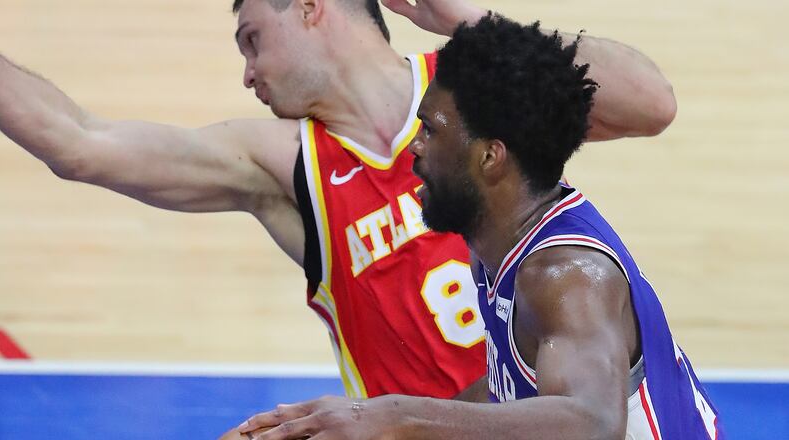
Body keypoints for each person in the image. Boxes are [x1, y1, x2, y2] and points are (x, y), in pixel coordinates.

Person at [0, 0, 676, 400]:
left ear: (312, 7)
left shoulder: (477, 82)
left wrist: (467, 18)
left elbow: (652, 102)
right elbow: (79, 143)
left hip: (570, 414)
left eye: (253, 39)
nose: (247, 74)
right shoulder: (282, 165)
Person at [235, 14, 721, 440]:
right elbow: (511, 394)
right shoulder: (500, 246)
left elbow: (591, 423)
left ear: (490, 157)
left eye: (430, 129)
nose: (414, 148)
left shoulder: (563, 274)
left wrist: (390, 417)